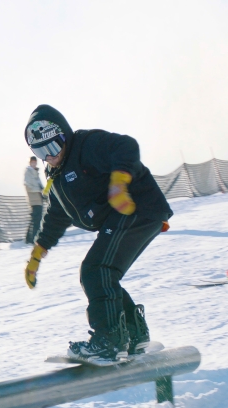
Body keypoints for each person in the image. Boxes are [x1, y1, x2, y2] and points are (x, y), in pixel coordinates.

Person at [23, 105, 172, 365]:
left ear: (65, 136)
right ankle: (134, 334)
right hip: (125, 217)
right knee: (104, 274)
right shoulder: (55, 175)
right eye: (41, 152)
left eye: (54, 148)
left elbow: (126, 146)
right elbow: (58, 214)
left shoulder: (86, 145)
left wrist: (119, 183)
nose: (49, 157)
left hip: (135, 207)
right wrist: (38, 252)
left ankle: (109, 341)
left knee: (95, 269)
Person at [23, 155, 47, 244]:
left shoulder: (36, 172)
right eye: (32, 162)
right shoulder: (28, 172)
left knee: (35, 218)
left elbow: (40, 185)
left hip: (38, 198)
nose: (34, 163)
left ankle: (28, 238)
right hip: (34, 199)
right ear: (30, 162)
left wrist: (43, 193)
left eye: (35, 162)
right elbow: (27, 185)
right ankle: (33, 238)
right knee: (36, 218)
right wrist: (38, 191)